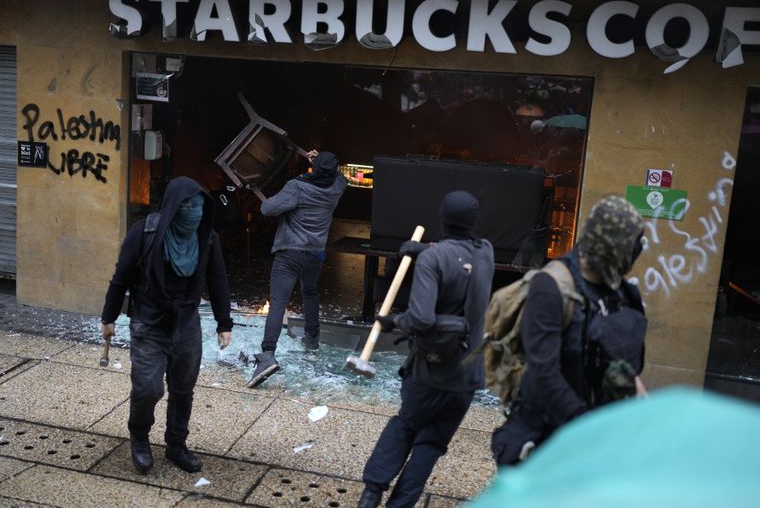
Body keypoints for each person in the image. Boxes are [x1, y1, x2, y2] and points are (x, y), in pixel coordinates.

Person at [357, 191, 495, 508]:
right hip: (468, 376)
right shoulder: (486, 252)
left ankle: (372, 493)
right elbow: (462, 254)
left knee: (405, 425)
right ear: (473, 221)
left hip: (432, 370)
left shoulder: (434, 260)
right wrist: (425, 249)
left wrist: (393, 322)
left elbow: (421, 318)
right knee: (431, 445)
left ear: (442, 218)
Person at [491, 195, 646, 466]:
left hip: (594, 432)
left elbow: (624, 367)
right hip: (546, 437)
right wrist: (584, 427)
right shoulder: (551, 287)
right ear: (612, 247)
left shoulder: (619, 290)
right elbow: (544, 371)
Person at [100, 176, 233, 474]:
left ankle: (176, 445)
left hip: (186, 324)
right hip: (149, 322)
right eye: (186, 206)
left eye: (198, 206)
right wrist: (108, 318)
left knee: (183, 389)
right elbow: (121, 276)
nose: (193, 212)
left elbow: (218, 280)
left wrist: (225, 323)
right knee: (148, 389)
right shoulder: (144, 232)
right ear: (173, 206)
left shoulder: (207, 238)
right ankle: (139, 437)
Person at [248, 150, 347, 388]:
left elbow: (267, 209)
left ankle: (268, 354)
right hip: (315, 254)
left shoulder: (297, 187)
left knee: (278, 302)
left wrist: (310, 167)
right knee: (310, 292)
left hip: (290, 253)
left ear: (314, 169)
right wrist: (319, 163)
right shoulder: (338, 186)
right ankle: (312, 340)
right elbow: (339, 175)